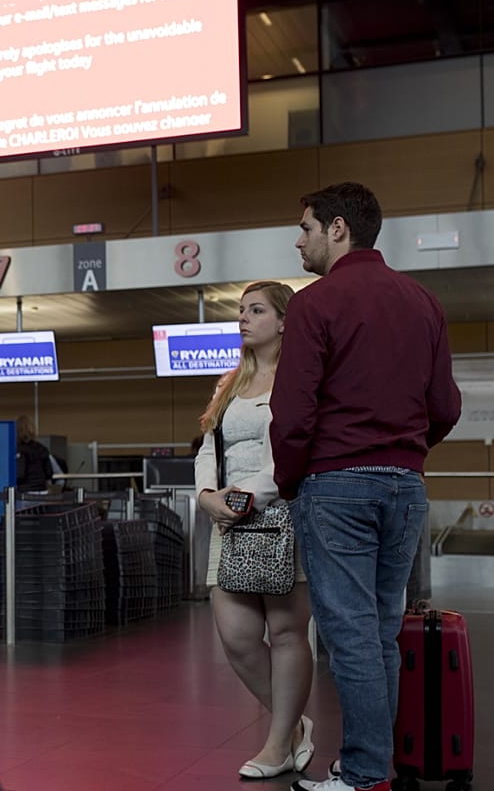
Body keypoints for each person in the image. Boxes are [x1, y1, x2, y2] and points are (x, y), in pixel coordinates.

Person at [271, 183, 462, 791]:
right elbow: (445, 405)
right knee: (379, 633)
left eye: (305, 228)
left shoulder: (313, 304)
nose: (297, 240)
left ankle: (360, 776)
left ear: (337, 229)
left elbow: (294, 411)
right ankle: (372, 767)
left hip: (337, 486)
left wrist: (292, 478)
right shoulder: (424, 302)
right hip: (405, 488)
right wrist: (404, 453)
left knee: (350, 637)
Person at [193, 280, 314, 780]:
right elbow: (207, 449)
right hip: (229, 522)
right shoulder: (229, 382)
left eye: (256, 310)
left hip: (282, 519)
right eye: (241, 310)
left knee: (287, 633)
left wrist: (239, 500)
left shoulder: (300, 379)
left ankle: (277, 741)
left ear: (284, 320)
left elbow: (290, 454)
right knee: (238, 637)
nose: (243, 318)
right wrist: (206, 498)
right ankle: (296, 727)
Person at [14, 415, 56, 492]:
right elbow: (49, 472)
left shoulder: (20, 450)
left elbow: (19, 474)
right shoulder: (42, 448)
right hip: (42, 490)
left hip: (26, 491)